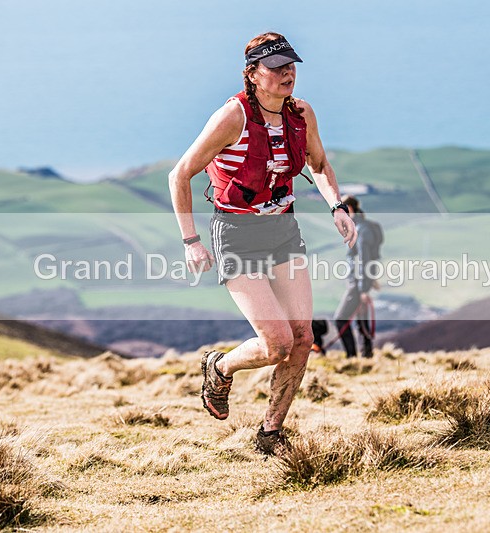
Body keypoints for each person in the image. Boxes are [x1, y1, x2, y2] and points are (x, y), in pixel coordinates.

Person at [167, 32, 356, 455]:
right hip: (238, 233)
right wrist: (191, 240)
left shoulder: (301, 114)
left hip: (283, 230)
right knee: (277, 344)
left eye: (291, 65)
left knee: (303, 338)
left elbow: (319, 163)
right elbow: (179, 175)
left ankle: (270, 434)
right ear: (252, 73)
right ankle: (220, 366)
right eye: (276, 67)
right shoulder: (231, 117)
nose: (288, 73)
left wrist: (337, 206)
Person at [334, 195, 380, 358]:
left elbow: (363, 259)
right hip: (361, 283)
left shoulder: (361, 230)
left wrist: (363, 289)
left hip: (358, 285)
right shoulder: (361, 227)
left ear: (350, 209)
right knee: (362, 320)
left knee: (340, 320)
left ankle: (352, 357)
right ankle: (367, 356)